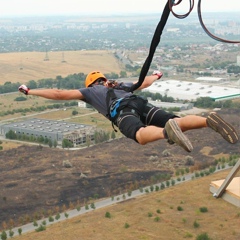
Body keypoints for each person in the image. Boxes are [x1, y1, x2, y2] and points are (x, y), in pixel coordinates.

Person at [18, 70, 239, 152]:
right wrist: (157, 75)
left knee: (141, 136)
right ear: (103, 79)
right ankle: (207, 121)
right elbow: (145, 82)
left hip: (122, 111)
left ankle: (165, 133)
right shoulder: (118, 84)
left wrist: (31, 91)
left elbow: (58, 94)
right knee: (176, 120)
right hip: (140, 102)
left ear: (91, 82)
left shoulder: (89, 91)